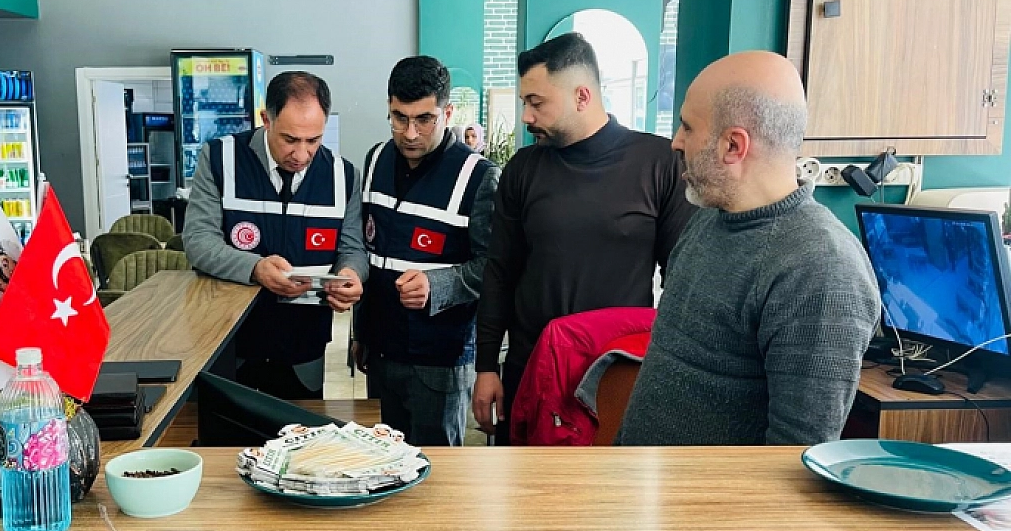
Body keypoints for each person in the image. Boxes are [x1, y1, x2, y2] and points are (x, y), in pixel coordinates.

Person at [617, 51, 880, 446]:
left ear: (733, 145)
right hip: (642, 476)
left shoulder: (822, 270)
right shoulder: (710, 218)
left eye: (687, 127)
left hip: (707, 490)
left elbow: (795, 454)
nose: (676, 142)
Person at [473, 33, 696, 444]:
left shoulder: (659, 163)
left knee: (605, 484)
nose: (526, 116)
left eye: (536, 102)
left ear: (581, 96)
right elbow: (499, 271)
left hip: (614, 371)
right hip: (531, 369)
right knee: (520, 481)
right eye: (524, 102)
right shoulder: (523, 167)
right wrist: (486, 366)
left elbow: (682, 284)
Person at [337, 56, 500, 446]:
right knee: (380, 458)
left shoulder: (479, 176)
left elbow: (493, 267)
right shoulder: (375, 159)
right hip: (380, 350)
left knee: (437, 468)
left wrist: (437, 285)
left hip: (440, 359)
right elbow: (370, 251)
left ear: (448, 113)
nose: (410, 133)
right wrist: (361, 332)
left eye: (424, 119)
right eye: (399, 118)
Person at [183, 71, 363, 400]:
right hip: (228, 339)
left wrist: (350, 274)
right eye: (290, 139)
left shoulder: (344, 175)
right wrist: (255, 268)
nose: (302, 155)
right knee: (227, 425)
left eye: (314, 140)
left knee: (300, 425)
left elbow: (352, 248)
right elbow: (198, 241)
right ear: (266, 119)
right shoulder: (220, 158)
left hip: (303, 344)